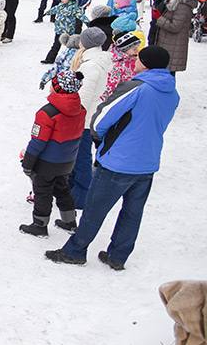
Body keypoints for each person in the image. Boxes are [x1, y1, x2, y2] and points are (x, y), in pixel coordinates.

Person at [46, 45, 179, 270]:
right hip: (148, 161)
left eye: (139, 58)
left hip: (119, 160)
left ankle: (75, 251)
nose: (135, 60)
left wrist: (101, 140)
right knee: (132, 213)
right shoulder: (171, 91)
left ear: (146, 64)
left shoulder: (136, 87)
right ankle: (118, 256)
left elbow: (101, 118)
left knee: (95, 208)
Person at [18, 70, 86, 237]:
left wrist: (28, 163)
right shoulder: (81, 109)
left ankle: (40, 225)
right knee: (63, 189)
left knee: (42, 192)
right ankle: (70, 222)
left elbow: (38, 141)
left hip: (46, 162)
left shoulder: (47, 113)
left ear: (58, 87)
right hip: (67, 160)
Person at [66, 27, 110, 209]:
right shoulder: (100, 60)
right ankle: (73, 186)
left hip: (84, 119)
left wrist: (71, 115)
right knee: (78, 154)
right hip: (91, 116)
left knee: (81, 156)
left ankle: (82, 194)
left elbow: (83, 97)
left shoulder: (91, 66)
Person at [154, 0, 194, 74]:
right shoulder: (173, 3)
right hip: (168, 43)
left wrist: (159, 18)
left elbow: (175, 27)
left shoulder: (182, 7)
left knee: (168, 73)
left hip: (173, 46)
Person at [41, 0, 88, 65]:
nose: (62, 0)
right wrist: (46, 13)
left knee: (71, 46)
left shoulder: (74, 8)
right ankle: (50, 59)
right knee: (56, 45)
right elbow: (53, 10)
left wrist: (89, 23)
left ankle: (75, 59)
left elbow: (81, 16)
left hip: (69, 31)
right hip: (59, 30)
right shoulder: (60, 6)